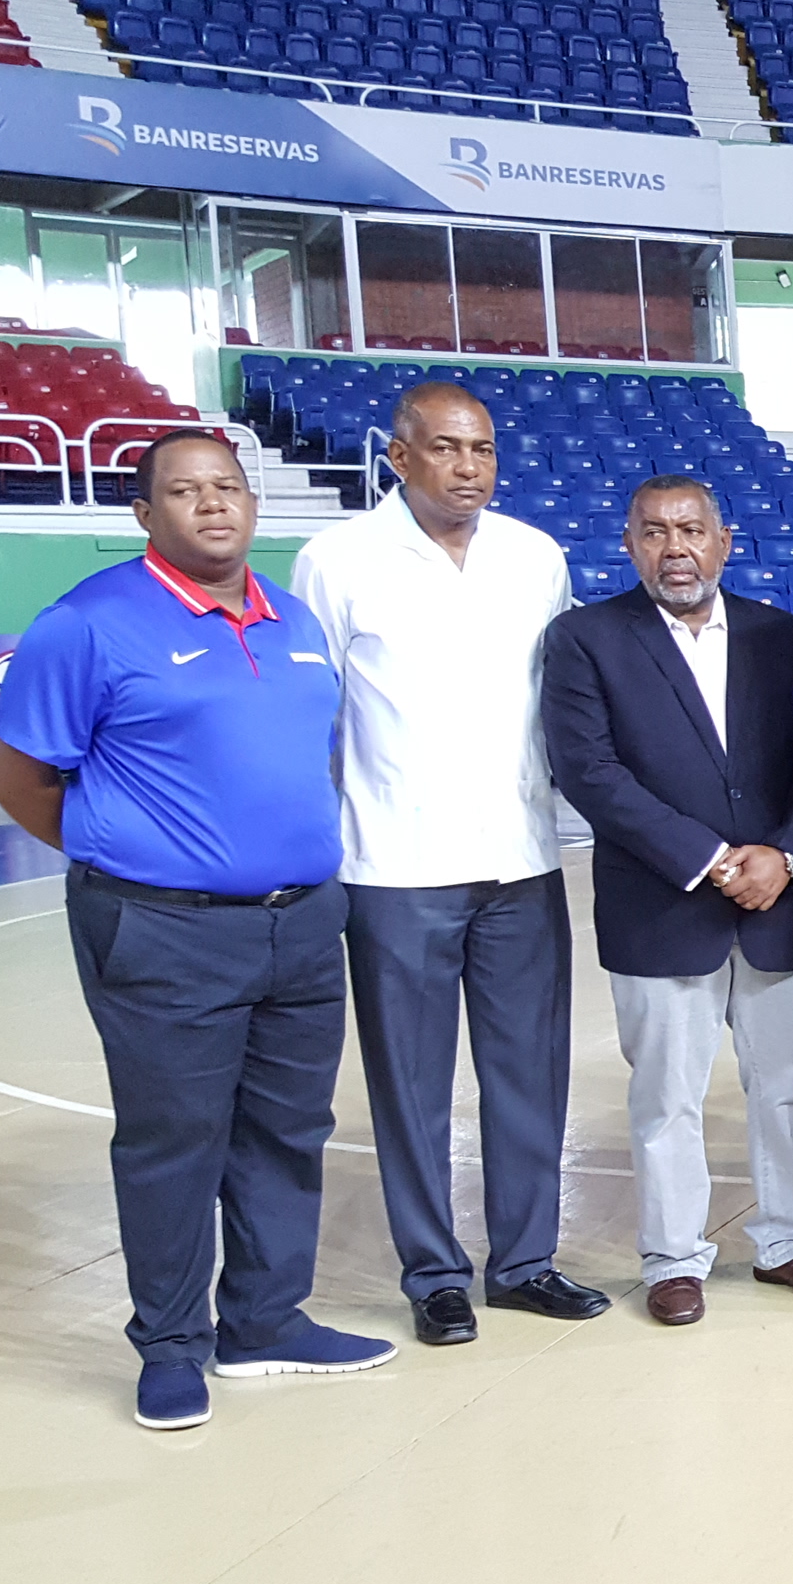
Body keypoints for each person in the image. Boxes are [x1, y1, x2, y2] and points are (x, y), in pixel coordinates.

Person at [0, 432, 392, 1429]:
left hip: (301, 925)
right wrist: (123, 852)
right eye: (184, 491)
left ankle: (264, 1318)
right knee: (175, 1142)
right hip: (163, 931)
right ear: (143, 513)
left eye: (227, 488)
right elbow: (13, 774)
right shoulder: (87, 624)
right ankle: (171, 1348)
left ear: (253, 504)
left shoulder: (292, 620)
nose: (212, 506)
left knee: (288, 1132)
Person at [292, 381, 606, 1346]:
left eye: (482, 450)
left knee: (529, 1077)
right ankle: (433, 1273)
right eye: (444, 449)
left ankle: (524, 1262)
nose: (467, 467)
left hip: (520, 860)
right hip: (393, 868)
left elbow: (560, 702)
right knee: (413, 1087)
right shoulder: (336, 560)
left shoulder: (534, 556)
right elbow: (315, 715)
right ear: (398, 456)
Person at [542, 477, 793, 1327]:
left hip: (779, 901)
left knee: (788, 1087)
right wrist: (714, 861)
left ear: (725, 539)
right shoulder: (585, 639)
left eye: (690, 530)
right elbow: (588, 771)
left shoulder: (782, 637)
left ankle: (788, 1240)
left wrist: (786, 854)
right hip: (662, 902)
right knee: (666, 1098)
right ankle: (674, 1257)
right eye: (653, 532)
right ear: (629, 543)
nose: (673, 548)